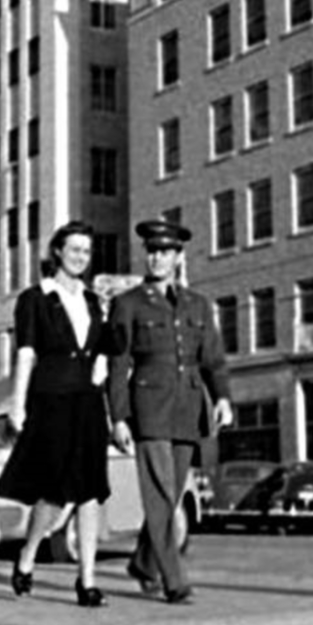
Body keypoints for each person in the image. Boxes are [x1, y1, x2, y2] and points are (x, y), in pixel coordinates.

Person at [0, 220, 113, 607]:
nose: (81, 257)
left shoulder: (94, 301)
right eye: (74, 249)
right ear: (57, 251)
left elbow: (102, 351)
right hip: (51, 398)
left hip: (88, 402)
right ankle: (28, 555)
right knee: (56, 492)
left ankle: (87, 581)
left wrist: (103, 376)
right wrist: (17, 405)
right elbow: (26, 353)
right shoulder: (35, 298)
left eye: (87, 251)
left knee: (91, 491)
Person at [108, 219, 233, 604]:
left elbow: (213, 358)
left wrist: (223, 398)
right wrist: (118, 417)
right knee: (160, 495)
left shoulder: (198, 303)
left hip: (188, 409)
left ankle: (143, 564)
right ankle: (173, 578)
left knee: (171, 496)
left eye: (165, 252)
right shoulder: (127, 304)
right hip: (148, 409)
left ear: (179, 257)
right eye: (152, 251)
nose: (157, 258)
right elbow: (117, 364)